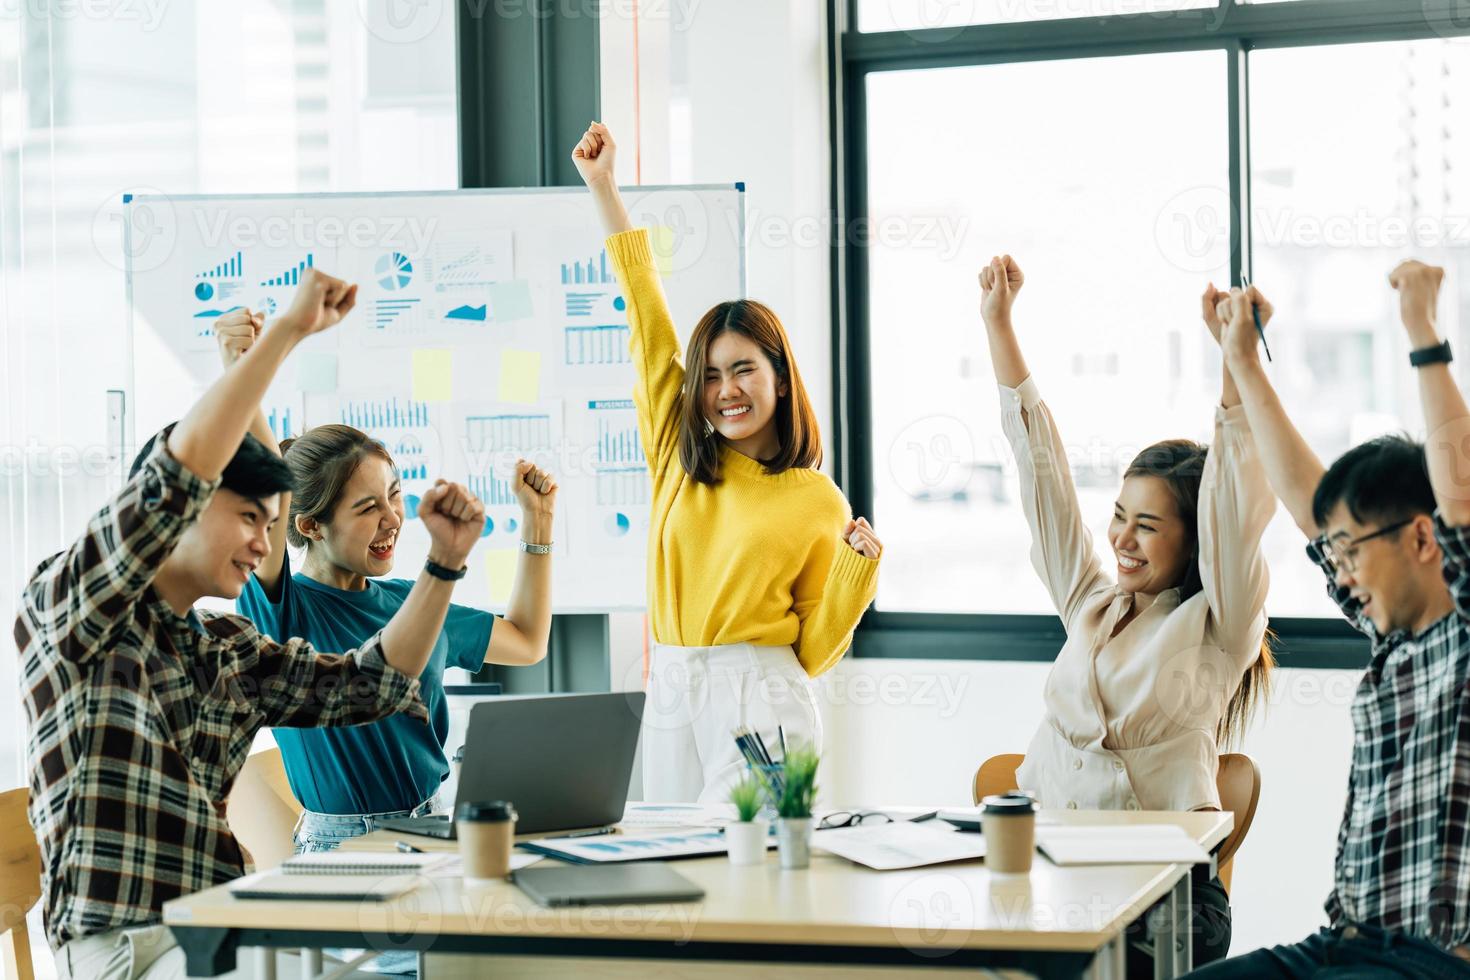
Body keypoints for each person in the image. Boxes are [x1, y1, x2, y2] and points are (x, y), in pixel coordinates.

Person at [17, 269, 488, 980]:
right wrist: (287, 336)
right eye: (248, 518)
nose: (265, 545)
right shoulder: (75, 606)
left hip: (216, 930)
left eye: (271, 525)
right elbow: (168, 481)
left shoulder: (226, 651)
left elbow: (375, 685)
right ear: (189, 507)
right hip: (123, 948)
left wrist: (444, 565)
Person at [570, 121, 883, 802]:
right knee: (676, 864)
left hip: (762, 694)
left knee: (753, 870)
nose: (725, 390)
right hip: (673, 686)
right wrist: (604, 189)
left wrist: (856, 577)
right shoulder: (677, 461)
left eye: (743, 369)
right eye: (710, 374)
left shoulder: (815, 499)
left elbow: (813, 654)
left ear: (779, 376)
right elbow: (647, 318)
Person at [979, 254, 1276, 967]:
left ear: (1193, 537)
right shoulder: (1089, 602)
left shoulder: (1219, 622)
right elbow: (1041, 473)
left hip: (1164, 897)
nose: (1121, 538)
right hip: (1047, 878)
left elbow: (1236, 503)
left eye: (1147, 524)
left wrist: (1234, 359)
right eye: (1118, 516)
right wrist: (999, 324)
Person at [1184, 264, 1470, 977]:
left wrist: (1423, 333)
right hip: (1340, 946)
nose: (1337, 572)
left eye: (1351, 552)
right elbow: (1305, 503)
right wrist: (1243, 360)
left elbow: (1460, 494)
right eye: (1333, 555)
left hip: (1430, 963)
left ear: (1422, 540)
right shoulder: (1393, 639)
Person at [209, 307, 557, 852]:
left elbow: (529, 641)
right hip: (343, 846)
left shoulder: (413, 605)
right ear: (309, 527)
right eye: (369, 507)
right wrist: (245, 366)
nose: (393, 519)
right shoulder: (283, 610)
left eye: (395, 495)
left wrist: (539, 522)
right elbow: (270, 484)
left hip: (437, 828)